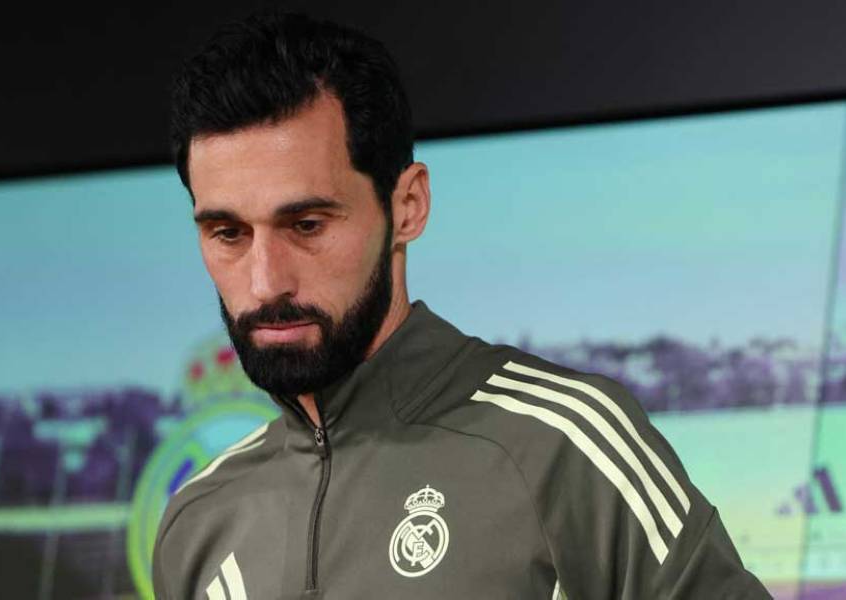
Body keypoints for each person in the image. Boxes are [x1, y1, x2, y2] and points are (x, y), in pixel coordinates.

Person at [152, 11, 770, 600]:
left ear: (408, 206)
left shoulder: (566, 443)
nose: (265, 284)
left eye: (308, 224)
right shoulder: (198, 521)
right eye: (228, 233)